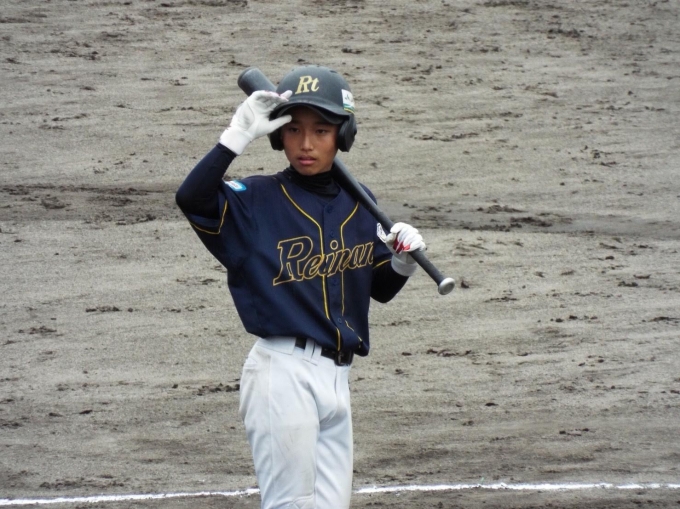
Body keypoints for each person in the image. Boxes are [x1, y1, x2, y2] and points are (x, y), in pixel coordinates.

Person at [175, 65, 426, 509]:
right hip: (283, 375)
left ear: (342, 135)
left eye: (321, 130)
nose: (306, 143)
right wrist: (236, 136)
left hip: (338, 379)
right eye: (293, 129)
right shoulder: (254, 200)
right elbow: (191, 198)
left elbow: (378, 290)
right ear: (278, 135)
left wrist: (403, 262)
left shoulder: (360, 202)